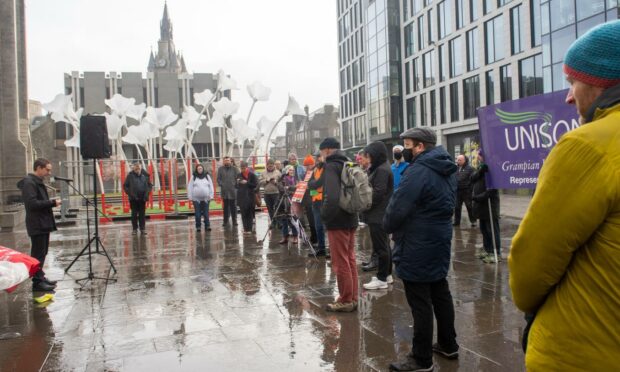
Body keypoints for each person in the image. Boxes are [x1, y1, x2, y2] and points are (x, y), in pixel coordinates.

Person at [509, 21, 620, 371]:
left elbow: (531, 265)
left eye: (573, 81)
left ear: (604, 82)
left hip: (584, 350)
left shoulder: (587, 145)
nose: (569, 96)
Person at [383, 128, 459, 371]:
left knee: (420, 300)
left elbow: (399, 206)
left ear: (420, 146)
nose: (403, 149)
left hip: (417, 241)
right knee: (439, 289)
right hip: (439, 237)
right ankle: (449, 344)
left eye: (407, 144)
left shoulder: (419, 170)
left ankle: (421, 358)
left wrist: (387, 225)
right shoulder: (445, 166)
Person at [320, 137, 359, 312]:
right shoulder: (347, 163)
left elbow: (333, 196)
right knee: (350, 259)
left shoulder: (331, 166)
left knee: (340, 261)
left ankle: (345, 300)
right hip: (351, 216)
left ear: (327, 150)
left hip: (337, 219)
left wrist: (325, 216)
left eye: (321, 152)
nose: (320, 155)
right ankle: (352, 297)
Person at [17, 158, 61, 292]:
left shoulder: (36, 182)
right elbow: (32, 204)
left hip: (42, 223)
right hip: (37, 224)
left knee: (43, 252)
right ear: (38, 168)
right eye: (47, 169)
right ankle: (37, 282)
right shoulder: (30, 183)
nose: (49, 172)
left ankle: (40, 277)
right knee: (38, 254)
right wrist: (52, 203)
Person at [361, 141, 394, 290]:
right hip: (380, 213)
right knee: (385, 246)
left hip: (378, 214)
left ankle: (381, 279)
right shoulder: (382, 167)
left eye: (369, 155)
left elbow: (378, 193)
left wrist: (365, 204)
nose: (367, 158)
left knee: (381, 247)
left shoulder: (381, 169)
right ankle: (387, 275)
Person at [470, 150, 500, 263]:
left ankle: (495, 252)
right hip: (481, 206)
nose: (477, 157)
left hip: (489, 205)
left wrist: (478, 197)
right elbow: (472, 178)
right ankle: (487, 249)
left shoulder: (493, 169)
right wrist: (480, 171)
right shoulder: (481, 168)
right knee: (484, 230)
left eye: (479, 155)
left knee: (492, 230)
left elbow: (492, 190)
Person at [123, 162, 152, 235]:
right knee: (134, 214)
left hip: (142, 199)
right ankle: (134, 229)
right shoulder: (130, 176)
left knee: (142, 214)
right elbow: (125, 186)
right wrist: (130, 193)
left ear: (141, 168)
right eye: (136, 168)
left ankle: (142, 229)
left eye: (138, 168)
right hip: (133, 199)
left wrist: (147, 194)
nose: (137, 169)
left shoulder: (145, 176)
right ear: (134, 169)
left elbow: (149, 186)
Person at [308, 152, 327, 257]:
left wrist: (313, 185)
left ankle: (323, 248)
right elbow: (309, 184)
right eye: (316, 157)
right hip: (315, 200)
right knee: (317, 226)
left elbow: (319, 182)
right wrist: (314, 187)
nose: (317, 159)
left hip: (323, 200)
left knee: (321, 226)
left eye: (319, 156)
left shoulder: (326, 168)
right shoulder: (315, 169)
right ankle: (321, 247)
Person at [187, 163, 214, 232]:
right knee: (198, 213)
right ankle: (198, 226)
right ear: (196, 169)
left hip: (206, 199)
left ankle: (207, 225)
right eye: (198, 169)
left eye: (201, 168)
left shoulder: (207, 176)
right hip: (196, 199)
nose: (200, 170)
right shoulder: (194, 176)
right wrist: (190, 196)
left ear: (203, 169)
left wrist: (211, 195)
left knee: (206, 213)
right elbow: (190, 186)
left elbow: (211, 185)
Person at [454, 154, 476, 228]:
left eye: (460, 160)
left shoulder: (470, 169)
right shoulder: (456, 168)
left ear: (464, 160)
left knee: (469, 206)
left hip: (466, 191)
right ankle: (457, 222)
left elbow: (473, 180)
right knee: (457, 207)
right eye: (457, 159)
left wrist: (470, 189)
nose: (458, 161)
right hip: (458, 191)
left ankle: (473, 221)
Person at [236, 161, 258, 234]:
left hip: (250, 197)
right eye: (241, 168)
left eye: (244, 168)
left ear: (247, 167)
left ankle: (249, 229)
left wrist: (247, 183)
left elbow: (255, 185)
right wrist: (238, 182)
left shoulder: (252, 175)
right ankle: (245, 229)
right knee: (243, 213)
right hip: (241, 197)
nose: (242, 169)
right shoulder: (239, 175)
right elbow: (236, 186)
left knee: (249, 213)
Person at [279, 166, 298, 244]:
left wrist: (289, 188)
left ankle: (295, 236)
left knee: (293, 218)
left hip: (294, 200)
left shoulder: (296, 178)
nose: (292, 171)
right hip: (284, 200)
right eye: (290, 170)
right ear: (286, 171)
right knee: (284, 219)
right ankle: (285, 236)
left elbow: (297, 187)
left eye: (293, 170)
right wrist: (291, 189)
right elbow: (281, 188)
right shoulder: (283, 179)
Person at [217, 157, 239, 227]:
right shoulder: (220, 169)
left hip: (233, 191)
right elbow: (218, 179)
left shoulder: (235, 169)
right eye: (225, 160)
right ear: (223, 162)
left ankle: (234, 220)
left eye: (228, 160)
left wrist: (235, 185)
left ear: (230, 161)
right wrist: (221, 184)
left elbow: (238, 178)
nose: (227, 161)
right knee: (225, 207)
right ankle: (225, 221)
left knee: (233, 207)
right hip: (224, 191)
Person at [259, 159, 281, 226]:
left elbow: (281, 183)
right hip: (267, 194)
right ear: (267, 165)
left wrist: (276, 182)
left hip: (276, 193)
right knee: (270, 208)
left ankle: (278, 222)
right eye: (269, 166)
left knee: (277, 208)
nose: (270, 167)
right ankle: (273, 222)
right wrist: (266, 181)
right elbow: (260, 182)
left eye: (271, 166)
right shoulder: (263, 173)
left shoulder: (278, 172)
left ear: (274, 165)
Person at [301, 155, 318, 245]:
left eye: (308, 165)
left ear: (312, 164)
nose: (306, 167)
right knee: (310, 220)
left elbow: (316, 187)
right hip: (308, 200)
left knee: (314, 220)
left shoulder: (316, 172)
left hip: (314, 199)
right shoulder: (306, 173)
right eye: (305, 165)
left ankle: (315, 238)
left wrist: (310, 192)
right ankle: (313, 237)